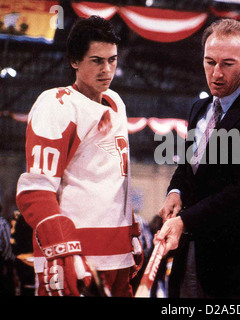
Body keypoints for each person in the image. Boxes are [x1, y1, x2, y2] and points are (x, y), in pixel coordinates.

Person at [155, 18, 240, 298]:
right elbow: (189, 165)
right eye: (209, 62)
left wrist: (185, 221)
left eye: (227, 64)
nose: (216, 73)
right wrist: (175, 191)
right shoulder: (199, 108)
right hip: (189, 254)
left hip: (237, 267)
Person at [15, 15, 142, 297]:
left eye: (112, 59)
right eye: (97, 60)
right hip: (77, 253)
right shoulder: (57, 104)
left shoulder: (117, 103)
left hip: (118, 251)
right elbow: (35, 191)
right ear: (74, 61)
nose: (107, 69)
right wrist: (65, 249)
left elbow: (114, 177)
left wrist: (132, 230)